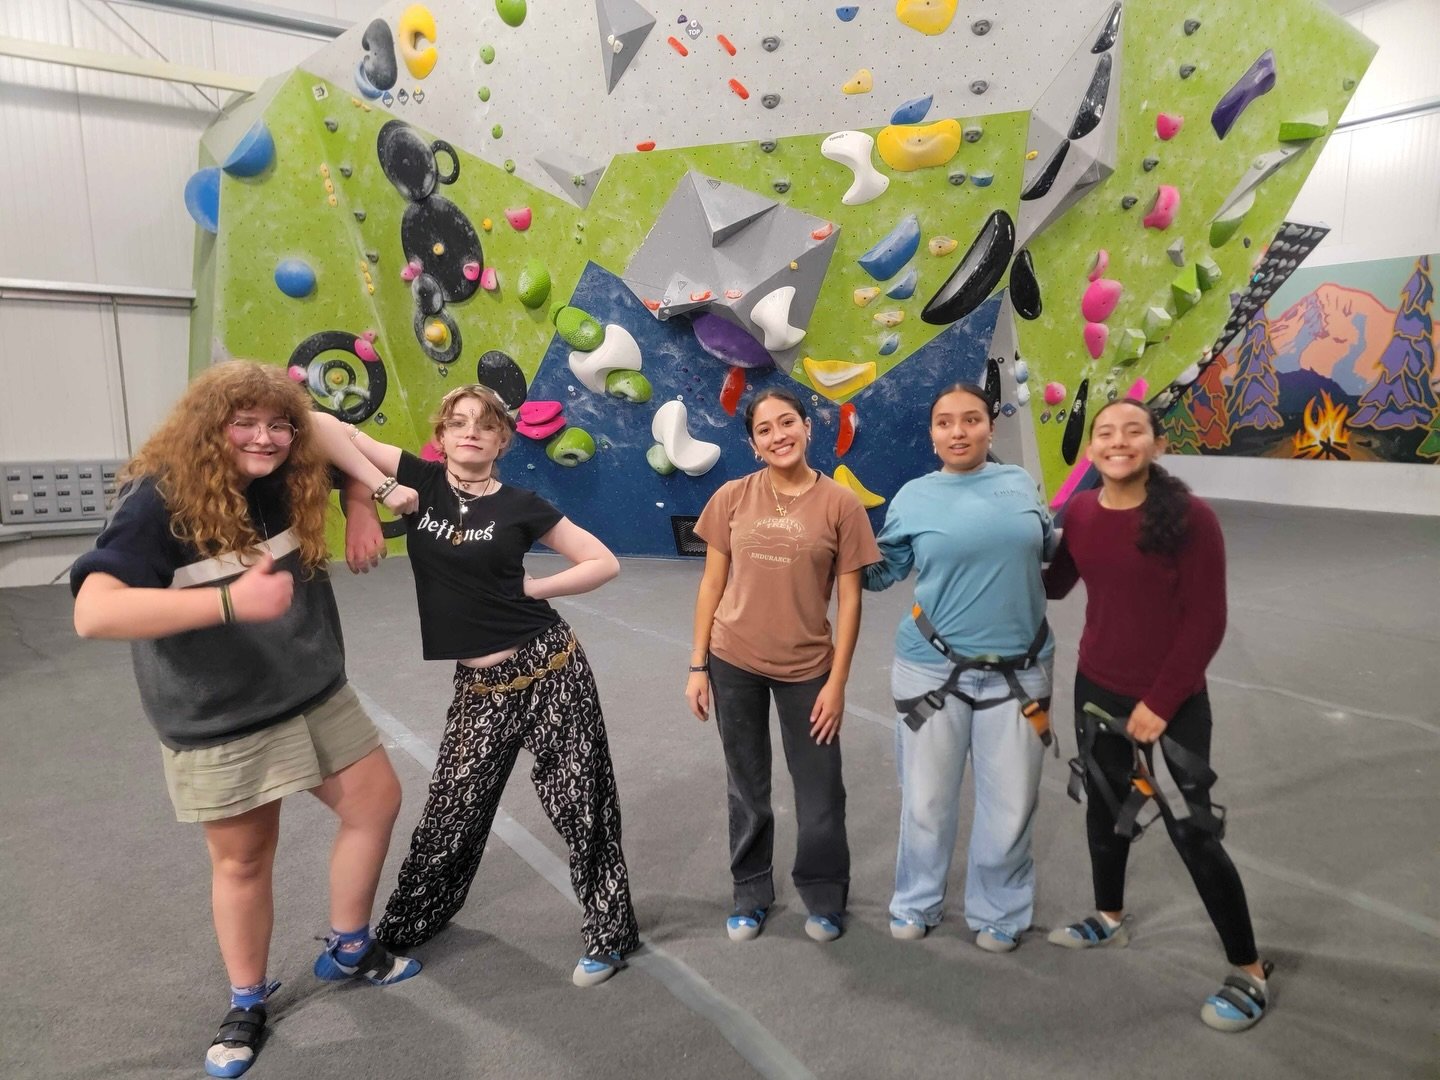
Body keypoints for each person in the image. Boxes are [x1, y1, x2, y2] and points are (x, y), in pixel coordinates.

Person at [71, 360, 423, 1079]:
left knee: (377, 800)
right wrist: (228, 602)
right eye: (246, 423)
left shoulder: (289, 467)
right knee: (244, 859)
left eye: (278, 423)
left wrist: (361, 503)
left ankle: (349, 946)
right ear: (210, 426)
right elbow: (94, 611)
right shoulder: (157, 500)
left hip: (313, 687)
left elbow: (330, 434)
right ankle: (245, 1001)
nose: (265, 439)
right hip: (220, 715)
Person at [310, 384, 640, 987]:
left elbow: (602, 561)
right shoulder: (423, 483)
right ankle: (404, 929)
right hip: (480, 688)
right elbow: (317, 422)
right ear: (440, 436)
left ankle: (609, 933)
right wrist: (380, 489)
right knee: (451, 814)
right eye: (458, 422)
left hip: (551, 670)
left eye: (485, 425)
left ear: (502, 440)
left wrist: (535, 589)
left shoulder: (522, 504)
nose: (470, 432)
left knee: (582, 805)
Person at [1042, 398, 1272, 1031]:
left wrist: (1161, 703)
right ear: (1090, 451)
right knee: (1105, 812)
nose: (1118, 442)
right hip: (1096, 689)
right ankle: (1109, 917)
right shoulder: (1082, 511)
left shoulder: (1192, 519)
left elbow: (1206, 621)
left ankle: (1249, 968)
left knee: (1191, 831)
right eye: (1106, 433)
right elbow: (1055, 583)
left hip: (1169, 703)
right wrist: (990, 546)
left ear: (1157, 444)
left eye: (1133, 431)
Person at [863, 382, 1057, 952]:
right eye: (945, 422)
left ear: (990, 426)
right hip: (931, 673)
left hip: (1021, 674)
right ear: (932, 433)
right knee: (925, 799)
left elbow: (1049, 550)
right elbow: (882, 572)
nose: (958, 431)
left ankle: (1000, 910)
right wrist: (833, 549)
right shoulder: (913, 498)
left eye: (971, 419)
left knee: (1013, 803)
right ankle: (916, 901)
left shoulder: (1020, 484)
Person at [686, 387, 880, 943]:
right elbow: (711, 584)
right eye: (765, 429)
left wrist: (837, 682)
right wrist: (698, 665)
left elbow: (851, 601)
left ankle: (823, 895)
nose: (779, 435)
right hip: (733, 659)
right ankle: (750, 892)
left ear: (807, 428)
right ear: (752, 444)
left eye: (787, 422)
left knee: (820, 790)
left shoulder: (840, 504)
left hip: (808, 668)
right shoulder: (731, 497)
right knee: (746, 785)